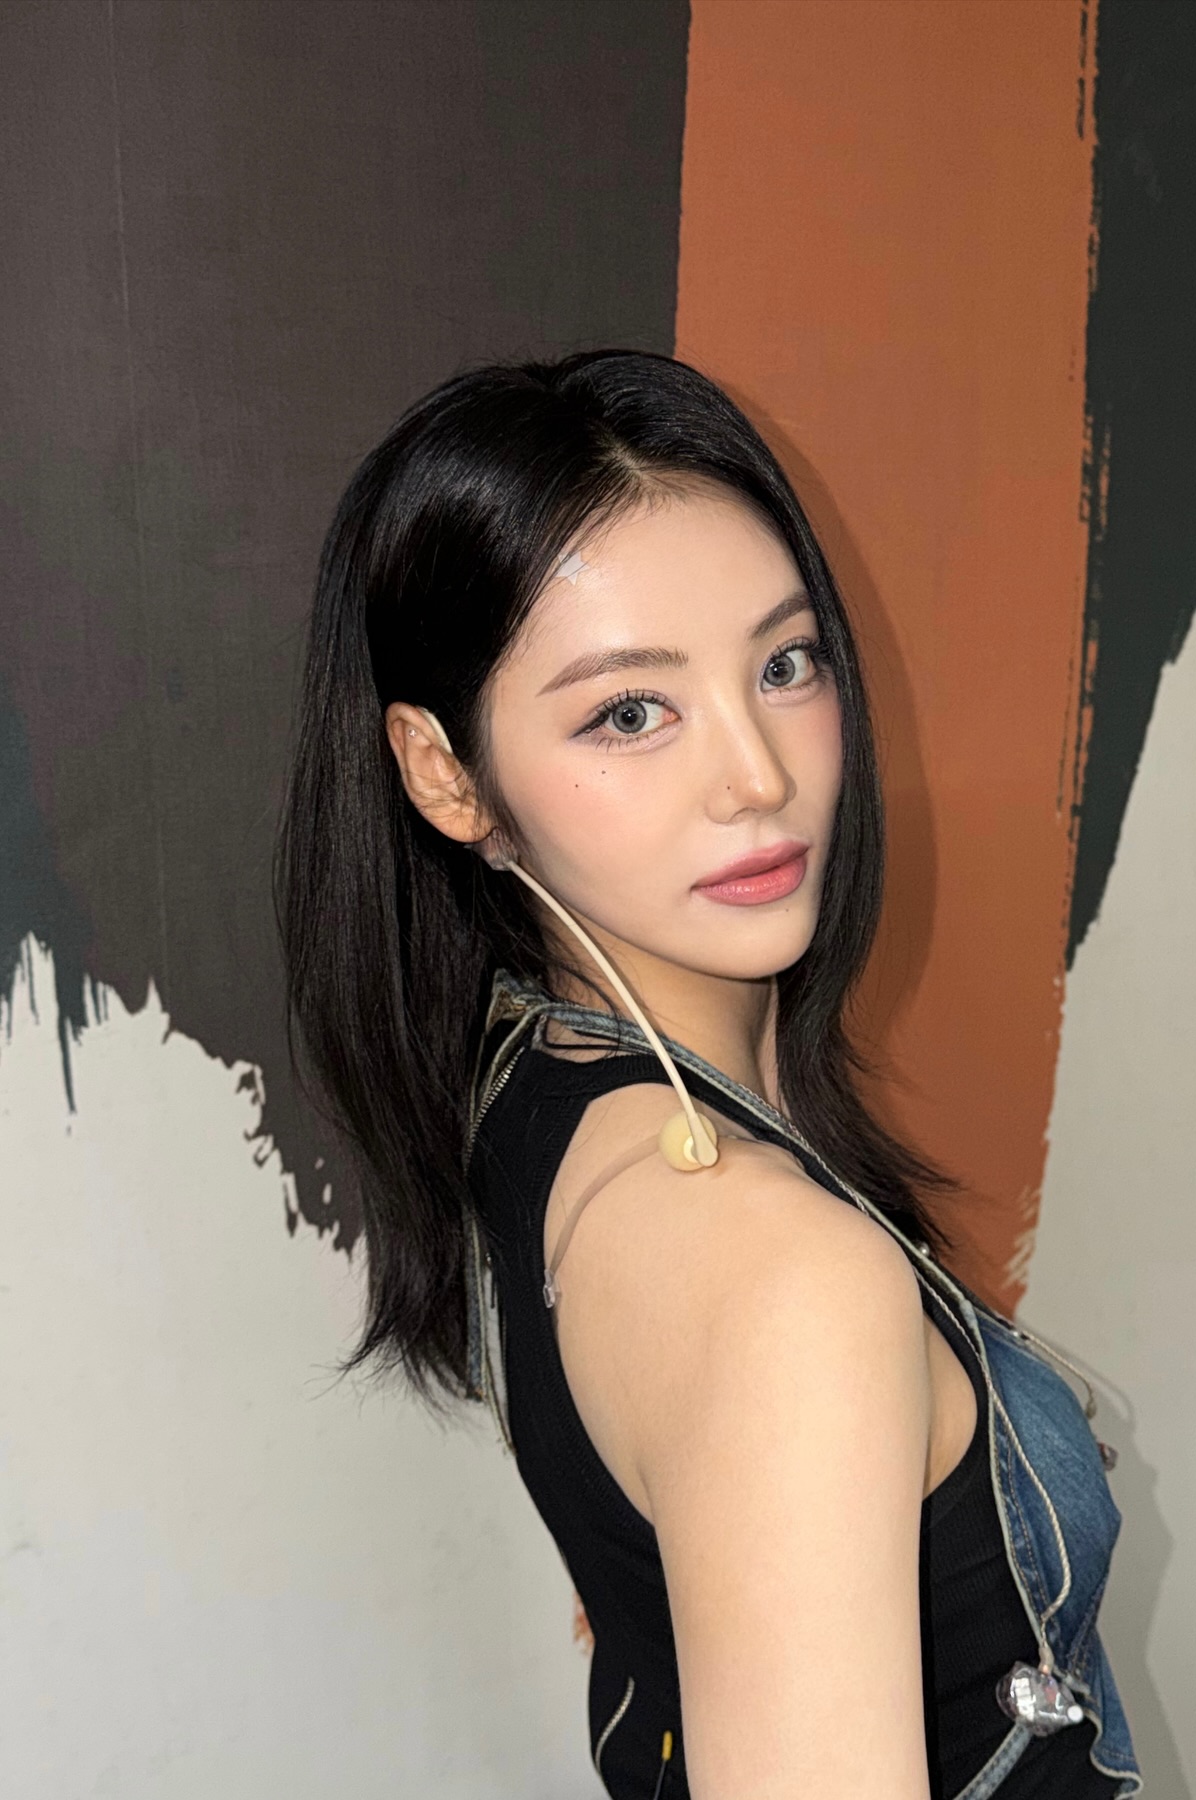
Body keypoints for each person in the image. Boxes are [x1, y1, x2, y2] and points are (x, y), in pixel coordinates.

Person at [276, 351, 1141, 1800]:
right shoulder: (776, 1274)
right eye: (630, 712)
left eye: (784, 665)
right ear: (444, 775)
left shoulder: (533, 1082)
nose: (759, 775)